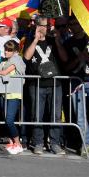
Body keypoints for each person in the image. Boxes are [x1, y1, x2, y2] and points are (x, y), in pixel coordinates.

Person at [62, 17, 89, 157]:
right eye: (71, 24)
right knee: (80, 116)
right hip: (77, 82)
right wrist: (77, 59)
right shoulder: (69, 43)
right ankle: (85, 143)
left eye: (76, 23)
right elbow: (66, 66)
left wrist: (87, 58)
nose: (73, 26)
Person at [24, 16, 67, 155]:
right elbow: (27, 57)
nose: (46, 28)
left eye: (48, 25)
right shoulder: (30, 40)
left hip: (55, 83)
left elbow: (64, 58)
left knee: (55, 115)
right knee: (37, 114)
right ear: (37, 26)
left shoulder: (54, 40)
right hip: (36, 84)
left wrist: (57, 40)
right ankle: (38, 143)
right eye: (43, 25)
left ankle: (54, 143)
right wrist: (36, 39)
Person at [0, 40, 26, 154]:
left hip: (14, 94)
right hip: (6, 93)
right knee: (7, 119)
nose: (6, 51)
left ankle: (18, 143)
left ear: (15, 51)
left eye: (9, 50)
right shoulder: (7, 60)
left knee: (9, 119)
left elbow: (5, 72)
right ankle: (12, 142)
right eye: (5, 49)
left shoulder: (16, 59)